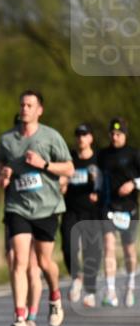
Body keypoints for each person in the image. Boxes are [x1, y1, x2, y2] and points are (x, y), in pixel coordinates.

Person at [0, 90, 74, 326]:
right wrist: (3, 173)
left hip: (47, 207)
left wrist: (45, 165)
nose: (25, 109)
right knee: (19, 261)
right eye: (22, 105)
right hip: (18, 207)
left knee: (43, 262)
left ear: (40, 110)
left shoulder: (51, 137)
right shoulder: (7, 140)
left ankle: (55, 296)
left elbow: (70, 168)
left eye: (30, 105)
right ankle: (20, 317)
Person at [96, 117, 140, 308]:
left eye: (118, 134)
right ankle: (111, 290)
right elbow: (97, 176)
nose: (115, 137)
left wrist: (133, 184)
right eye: (112, 134)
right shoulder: (103, 154)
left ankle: (130, 285)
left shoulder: (134, 154)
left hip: (129, 208)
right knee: (109, 246)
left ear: (125, 135)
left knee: (129, 249)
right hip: (109, 207)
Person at [60, 123, 103, 308]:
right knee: (68, 246)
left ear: (91, 138)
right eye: (78, 135)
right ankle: (76, 278)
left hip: (91, 211)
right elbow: (61, 182)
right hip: (71, 209)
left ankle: (91, 291)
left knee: (91, 251)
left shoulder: (98, 159)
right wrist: (63, 183)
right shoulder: (69, 159)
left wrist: (98, 189)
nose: (80, 138)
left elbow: (106, 183)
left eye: (84, 135)